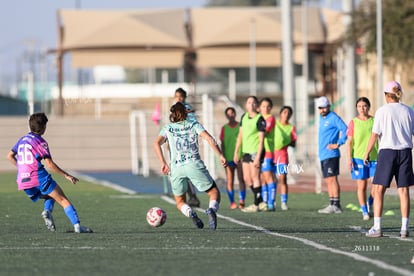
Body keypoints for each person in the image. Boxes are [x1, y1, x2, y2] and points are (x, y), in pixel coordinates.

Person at [6, 113, 93, 233]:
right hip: (38, 177)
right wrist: (67, 175)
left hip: (23, 181)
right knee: (62, 199)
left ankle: (47, 212)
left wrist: (22, 168)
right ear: (43, 127)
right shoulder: (40, 142)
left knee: (50, 194)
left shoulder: (22, 140)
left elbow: (9, 156)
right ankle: (77, 226)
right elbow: (50, 165)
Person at [153, 102, 226, 230]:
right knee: (214, 192)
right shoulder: (193, 124)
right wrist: (220, 154)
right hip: (193, 164)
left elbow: (156, 144)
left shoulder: (167, 128)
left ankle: (190, 212)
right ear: (185, 113)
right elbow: (209, 139)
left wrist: (163, 163)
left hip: (176, 168)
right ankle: (211, 209)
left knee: (180, 201)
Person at [363, 81, 414, 238]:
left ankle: (377, 227)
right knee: (404, 191)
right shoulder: (409, 111)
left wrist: (367, 152)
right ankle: (404, 228)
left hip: (387, 153)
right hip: (405, 152)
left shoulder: (382, 111)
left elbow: (375, 134)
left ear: (386, 95)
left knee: (378, 190)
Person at [346, 97, 376, 220]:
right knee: (362, 186)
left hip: (374, 157)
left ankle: (370, 202)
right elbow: (349, 143)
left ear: (369, 107)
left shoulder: (374, 120)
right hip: (358, 158)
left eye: (364, 106)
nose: (362, 108)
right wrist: (349, 159)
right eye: (359, 106)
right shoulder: (353, 122)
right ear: (356, 108)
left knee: (377, 185)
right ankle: (364, 211)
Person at [234, 96, 266, 213]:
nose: (251, 104)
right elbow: (240, 136)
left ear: (256, 105)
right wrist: (236, 152)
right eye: (249, 102)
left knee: (255, 177)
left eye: (253, 103)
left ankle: (256, 204)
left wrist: (258, 156)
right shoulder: (243, 117)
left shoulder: (260, 119)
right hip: (245, 152)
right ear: (246, 105)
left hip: (255, 152)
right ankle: (261, 200)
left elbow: (261, 140)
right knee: (247, 179)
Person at [316, 96, 348, 214]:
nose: (322, 110)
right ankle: (332, 203)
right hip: (323, 154)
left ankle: (336, 204)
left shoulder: (333, 117)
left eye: (324, 107)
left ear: (328, 106)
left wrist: (338, 143)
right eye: (320, 108)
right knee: (328, 180)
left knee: (332, 179)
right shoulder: (322, 119)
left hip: (331, 154)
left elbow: (345, 129)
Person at [174, 87, 200, 207]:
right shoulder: (175, 109)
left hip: (187, 145)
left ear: (184, 97)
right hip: (178, 145)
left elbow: (193, 125)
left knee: (188, 171)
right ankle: (189, 196)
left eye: (181, 96)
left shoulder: (188, 109)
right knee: (181, 172)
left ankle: (193, 196)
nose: (178, 98)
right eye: (177, 96)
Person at [219, 107, 246, 209]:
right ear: (226, 116)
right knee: (230, 180)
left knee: (241, 179)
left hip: (239, 157)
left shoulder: (240, 126)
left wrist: (242, 154)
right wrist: (223, 155)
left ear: (235, 114)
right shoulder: (224, 128)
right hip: (228, 158)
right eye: (229, 114)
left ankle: (242, 201)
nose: (231, 115)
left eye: (232, 113)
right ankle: (232, 202)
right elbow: (222, 144)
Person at [273, 106, 297, 211]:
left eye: (288, 113)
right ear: (281, 113)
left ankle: (284, 202)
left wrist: (285, 141)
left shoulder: (291, 128)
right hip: (271, 154)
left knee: (283, 178)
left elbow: (294, 142)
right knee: (271, 179)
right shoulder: (274, 124)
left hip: (282, 155)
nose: (286, 114)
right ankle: (271, 201)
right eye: (284, 112)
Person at [258, 97, 277, 211]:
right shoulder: (259, 118)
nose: (266, 108)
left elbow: (264, 132)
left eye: (268, 106)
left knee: (269, 177)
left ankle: (271, 203)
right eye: (263, 106)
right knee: (262, 178)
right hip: (258, 152)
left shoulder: (270, 118)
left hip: (267, 151)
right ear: (259, 107)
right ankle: (265, 201)